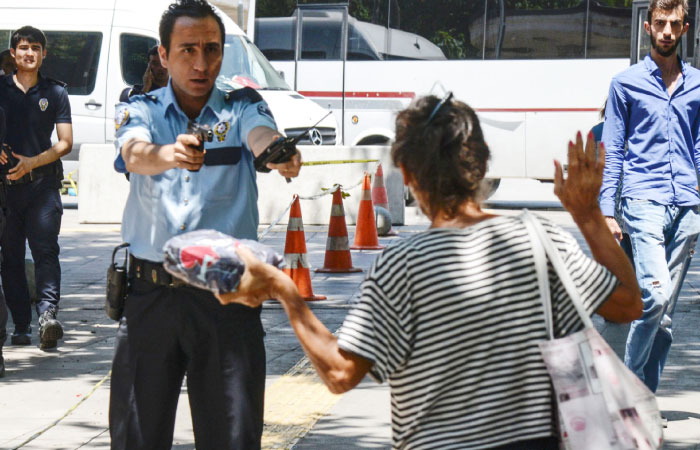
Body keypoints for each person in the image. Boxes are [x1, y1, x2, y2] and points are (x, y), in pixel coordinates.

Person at [219, 94, 642, 449]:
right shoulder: (539, 238)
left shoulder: (402, 266)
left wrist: (285, 291)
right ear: (482, 163)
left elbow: (340, 373)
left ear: (408, 174)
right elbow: (628, 304)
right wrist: (587, 215)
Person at [109, 1, 301, 448]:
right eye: (187, 50)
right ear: (162, 54)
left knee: (231, 436)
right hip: (150, 299)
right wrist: (167, 154)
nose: (201, 63)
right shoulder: (142, 110)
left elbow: (261, 136)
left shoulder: (242, 106)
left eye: (211, 50)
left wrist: (277, 153)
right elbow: (133, 152)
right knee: (136, 436)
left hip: (227, 301)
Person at [599, 0, 700, 393]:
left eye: (674, 24)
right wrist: (608, 210)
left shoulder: (696, 84)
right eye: (660, 23)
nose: (667, 32)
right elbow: (614, 150)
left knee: (666, 318)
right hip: (643, 200)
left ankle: (643, 400)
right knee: (654, 298)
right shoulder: (625, 83)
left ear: (685, 28)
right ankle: (623, 389)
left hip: (687, 206)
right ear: (647, 26)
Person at [0, 26, 73, 350]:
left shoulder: (55, 92)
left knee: (46, 252)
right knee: (11, 258)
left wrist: (33, 161)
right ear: (13, 53)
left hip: (42, 185)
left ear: (44, 54)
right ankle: (21, 325)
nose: (29, 53)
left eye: (36, 48)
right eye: (24, 47)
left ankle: (47, 317)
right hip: (5, 190)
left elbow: (65, 142)